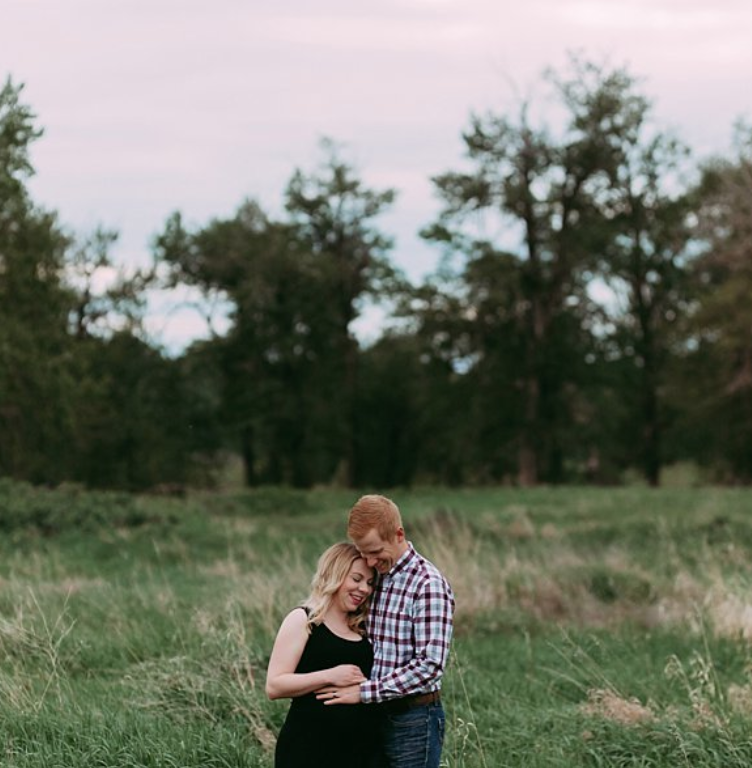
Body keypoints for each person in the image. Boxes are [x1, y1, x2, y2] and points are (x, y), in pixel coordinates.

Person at [317, 494, 455, 768]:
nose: (368, 561)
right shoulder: (373, 579)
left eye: (375, 551)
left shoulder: (428, 585)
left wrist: (365, 692)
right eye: (363, 552)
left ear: (398, 534)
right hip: (370, 715)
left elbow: (429, 666)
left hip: (413, 721)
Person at [266, 541, 379, 768]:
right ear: (334, 574)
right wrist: (329, 676)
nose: (364, 589)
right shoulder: (304, 620)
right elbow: (274, 686)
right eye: (356, 579)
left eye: (369, 583)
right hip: (309, 748)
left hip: (360, 751)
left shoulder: (365, 627)